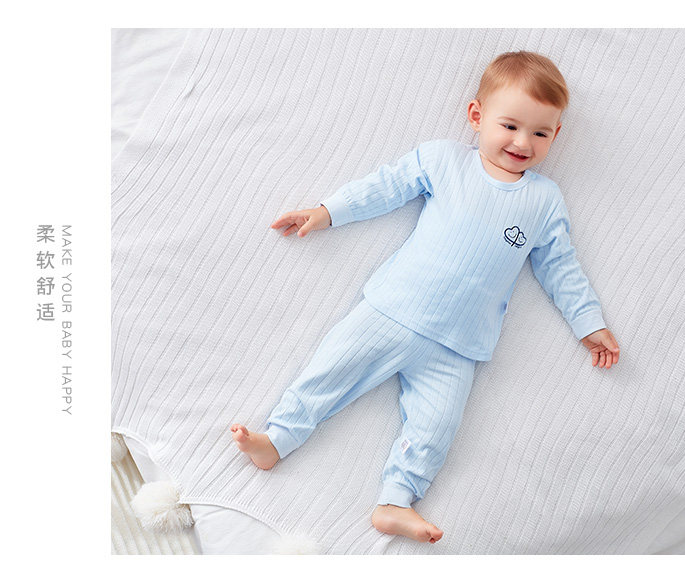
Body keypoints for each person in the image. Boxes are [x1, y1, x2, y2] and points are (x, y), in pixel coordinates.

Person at [231, 51, 620, 545]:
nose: (523, 143)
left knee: (436, 427)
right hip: (393, 309)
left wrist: (589, 323)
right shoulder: (444, 160)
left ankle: (396, 500)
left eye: (540, 133)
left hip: (458, 345)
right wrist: (328, 211)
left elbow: (561, 266)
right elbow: (385, 187)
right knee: (329, 370)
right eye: (510, 126)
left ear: (556, 135)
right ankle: (277, 439)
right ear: (476, 116)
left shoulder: (543, 201)